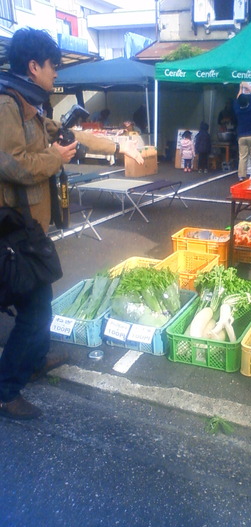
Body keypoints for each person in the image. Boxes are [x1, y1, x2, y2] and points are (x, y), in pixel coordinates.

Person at [0, 27, 143, 420]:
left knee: (38, 299)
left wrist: (119, 145)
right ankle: (7, 389)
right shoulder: (6, 105)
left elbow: (72, 135)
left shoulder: (31, 104)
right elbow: (9, 163)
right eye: (53, 66)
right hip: (12, 228)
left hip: (30, 226)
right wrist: (55, 160)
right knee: (35, 308)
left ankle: (36, 359)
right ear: (33, 67)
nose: (56, 74)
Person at [233, 82, 251, 181]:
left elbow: (237, 99)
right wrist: (248, 87)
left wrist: (240, 87)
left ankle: (241, 176)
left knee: (242, 156)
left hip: (241, 136)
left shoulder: (237, 110)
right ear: (248, 101)